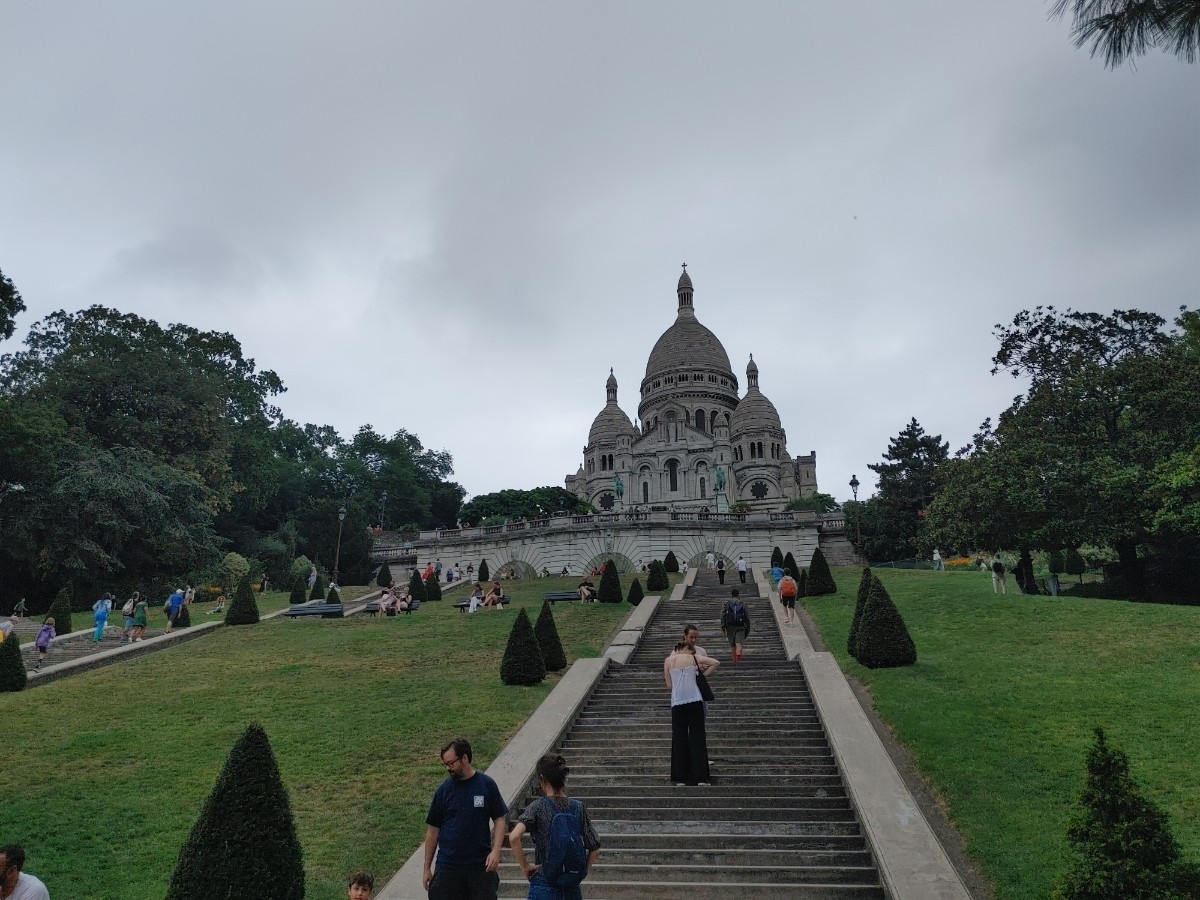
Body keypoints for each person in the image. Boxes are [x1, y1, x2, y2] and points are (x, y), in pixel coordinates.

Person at [423, 737, 508, 900]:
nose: (449, 768)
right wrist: (426, 867)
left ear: (464, 758)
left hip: (479, 867)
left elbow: (499, 819)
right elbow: (433, 830)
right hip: (448, 867)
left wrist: (496, 851)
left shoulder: (486, 785)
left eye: (451, 763)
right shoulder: (443, 791)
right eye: (445, 764)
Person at [508, 754, 601, 899]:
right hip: (572, 887)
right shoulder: (578, 808)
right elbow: (594, 848)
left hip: (544, 882)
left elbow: (514, 837)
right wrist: (582, 872)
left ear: (542, 778)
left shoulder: (538, 807)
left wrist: (525, 866)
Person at [664, 633, 719, 786]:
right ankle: (700, 777)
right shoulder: (694, 658)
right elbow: (715, 662)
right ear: (687, 649)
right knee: (697, 737)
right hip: (694, 700)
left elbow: (669, 685)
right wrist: (702, 674)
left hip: (677, 702)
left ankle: (680, 777)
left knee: (679, 738)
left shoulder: (668, 661)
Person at [721, 589, 751, 664]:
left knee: (732, 644)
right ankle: (738, 660)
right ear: (738, 594)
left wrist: (723, 626)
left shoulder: (727, 603)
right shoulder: (742, 603)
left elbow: (723, 615)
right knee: (738, 643)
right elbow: (746, 616)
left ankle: (734, 661)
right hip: (741, 626)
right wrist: (747, 627)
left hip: (730, 626)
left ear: (732, 595)